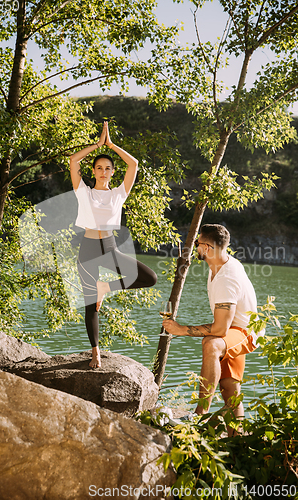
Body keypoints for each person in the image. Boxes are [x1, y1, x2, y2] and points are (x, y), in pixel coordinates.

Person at [70, 121, 157, 368]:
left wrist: (111, 145)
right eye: (99, 168)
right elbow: (73, 161)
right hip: (87, 250)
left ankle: (105, 288)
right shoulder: (83, 192)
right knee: (90, 305)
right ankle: (95, 352)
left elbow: (134, 164)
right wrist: (96, 145)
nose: (103, 172)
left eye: (108, 168)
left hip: (109, 249)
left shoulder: (119, 193)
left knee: (149, 278)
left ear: (112, 172)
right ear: (94, 171)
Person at [162, 224, 264, 423]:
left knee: (211, 343)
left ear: (207, 248)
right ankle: (237, 442)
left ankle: (200, 415)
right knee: (230, 392)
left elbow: (219, 329)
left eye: (197, 243)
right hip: (233, 329)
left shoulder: (227, 277)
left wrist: (182, 330)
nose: (194, 247)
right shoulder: (218, 265)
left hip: (245, 332)